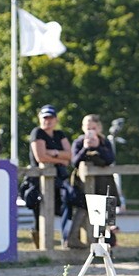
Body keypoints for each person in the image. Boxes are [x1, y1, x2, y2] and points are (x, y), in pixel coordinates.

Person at [68, 114, 117, 248]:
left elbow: (110, 159)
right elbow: (74, 162)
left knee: (105, 211)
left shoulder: (104, 142)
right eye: (87, 127)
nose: (90, 131)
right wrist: (85, 148)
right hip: (84, 184)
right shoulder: (79, 142)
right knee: (83, 208)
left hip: (103, 183)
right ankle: (74, 238)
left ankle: (103, 243)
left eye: (93, 128)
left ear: (99, 128)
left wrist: (98, 147)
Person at [27, 104, 72, 247]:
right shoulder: (37, 132)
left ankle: (66, 240)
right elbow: (40, 157)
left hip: (59, 178)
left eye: (51, 117)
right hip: (39, 180)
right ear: (40, 118)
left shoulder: (60, 134)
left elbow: (70, 155)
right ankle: (41, 246)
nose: (48, 120)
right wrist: (60, 159)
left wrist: (53, 153)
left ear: (56, 119)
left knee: (66, 204)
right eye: (45, 117)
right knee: (40, 212)